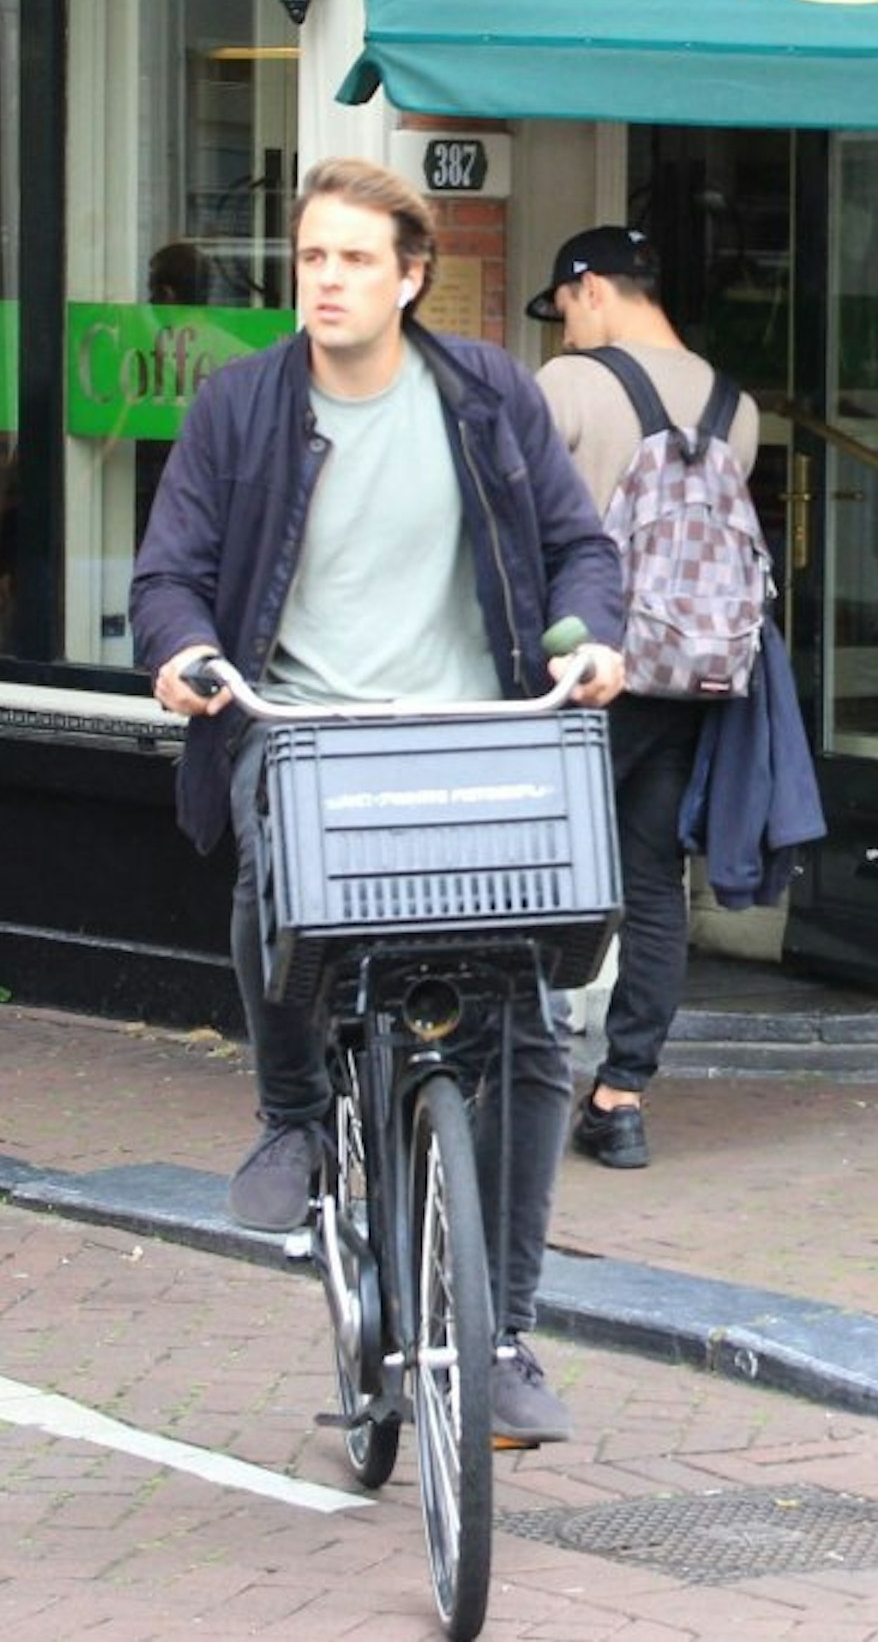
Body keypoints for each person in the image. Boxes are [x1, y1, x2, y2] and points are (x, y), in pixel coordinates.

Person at [129, 158, 627, 1447]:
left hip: (472, 734)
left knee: (526, 1021)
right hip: (302, 727)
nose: (330, 280)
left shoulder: (487, 395)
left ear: (412, 277)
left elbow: (578, 546)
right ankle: (293, 1118)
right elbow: (170, 572)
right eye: (312, 258)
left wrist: (589, 639)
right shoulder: (241, 406)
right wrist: (185, 656)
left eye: (356, 258)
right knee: (268, 867)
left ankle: (504, 1332)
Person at [529, 224, 760, 1174]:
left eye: (565, 312)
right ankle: (621, 1096)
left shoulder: (568, 388)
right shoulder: (736, 406)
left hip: (575, 670)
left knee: (532, 872)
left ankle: (523, 1072)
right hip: (683, 677)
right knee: (653, 881)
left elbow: (514, 521)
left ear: (590, 288)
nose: (564, 333)